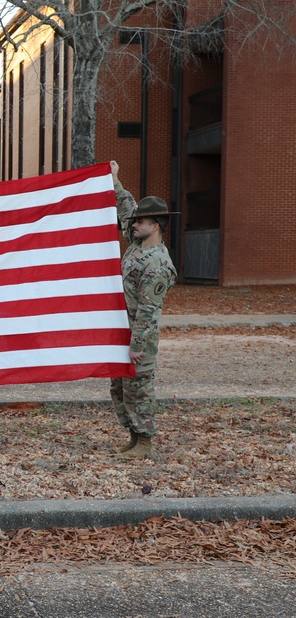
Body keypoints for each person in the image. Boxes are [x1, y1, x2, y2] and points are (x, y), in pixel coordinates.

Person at [109, 161, 178, 460]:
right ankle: (133, 436)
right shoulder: (137, 243)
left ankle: (146, 441)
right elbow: (126, 209)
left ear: (156, 226)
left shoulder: (158, 264)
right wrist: (115, 180)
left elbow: (149, 312)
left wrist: (136, 345)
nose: (134, 224)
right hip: (124, 330)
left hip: (140, 338)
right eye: (136, 221)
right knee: (121, 388)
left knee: (140, 390)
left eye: (141, 221)